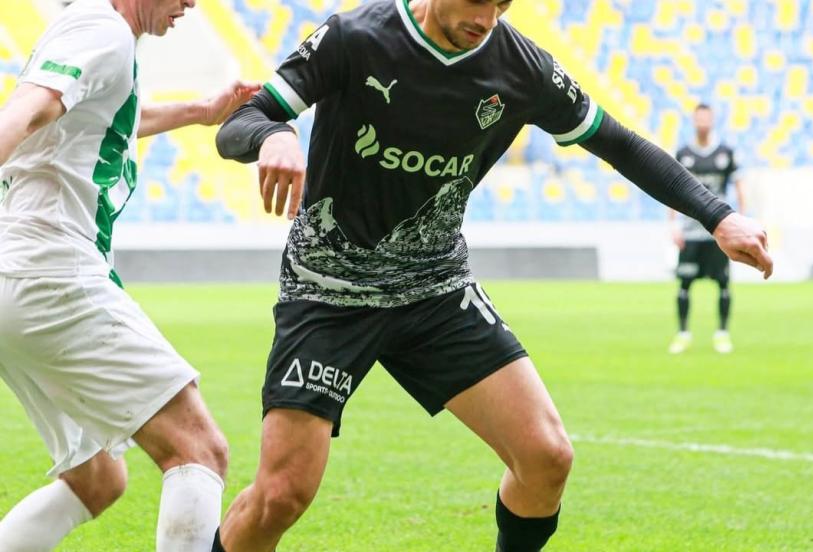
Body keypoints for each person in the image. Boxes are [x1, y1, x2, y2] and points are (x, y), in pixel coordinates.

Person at [211, 0, 773, 550]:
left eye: (502, 4)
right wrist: (274, 134)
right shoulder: (354, 37)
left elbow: (617, 143)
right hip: (329, 292)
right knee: (281, 496)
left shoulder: (523, 68)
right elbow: (241, 121)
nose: (486, 20)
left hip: (435, 290)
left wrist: (718, 216)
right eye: (477, 1)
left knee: (546, 458)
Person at [0, 0, 259, 550]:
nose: (192, 3)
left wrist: (200, 111)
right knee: (198, 448)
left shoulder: (97, 33)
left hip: (16, 278)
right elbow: (30, 109)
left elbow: (105, 118)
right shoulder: (104, 29)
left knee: (96, 478)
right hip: (50, 272)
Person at [668, 104, 746, 355]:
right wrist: (673, 225)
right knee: (684, 284)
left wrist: (741, 222)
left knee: (723, 284)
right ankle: (683, 333)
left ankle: (722, 333)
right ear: (693, 121)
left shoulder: (726, 153)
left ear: (712, 120)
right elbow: (670, 190)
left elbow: (739, 188)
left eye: (706, 118)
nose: (702, 122)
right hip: (690, 232)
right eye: (699, 118)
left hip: (718, 232)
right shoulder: (683, 154)